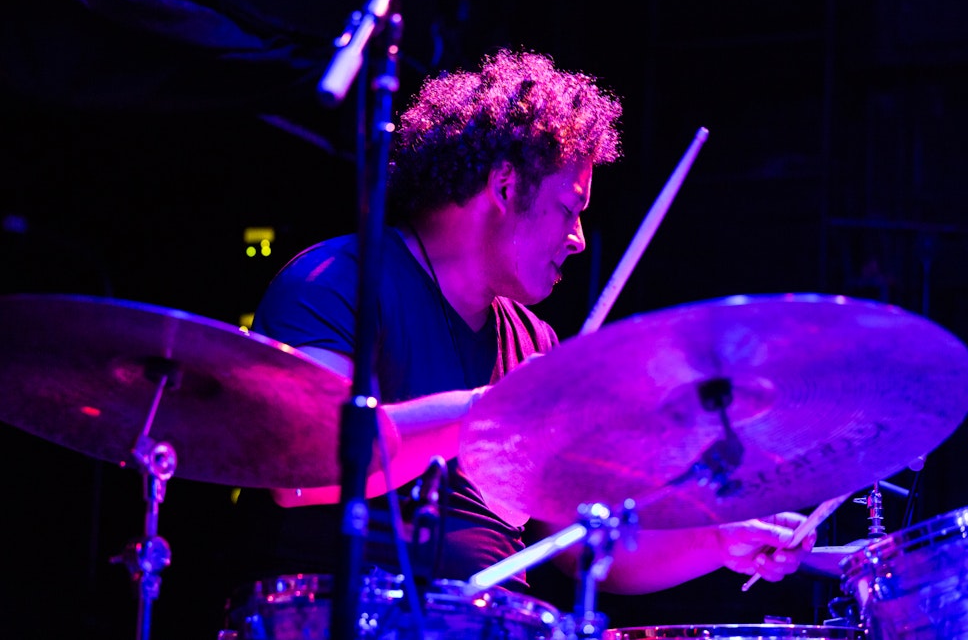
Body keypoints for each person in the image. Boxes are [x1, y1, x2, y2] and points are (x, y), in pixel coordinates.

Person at [231, 48, 814, 610]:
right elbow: (301, 469)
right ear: (506, 187)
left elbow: (584, 543)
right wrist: (493, 409)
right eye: (569, 209)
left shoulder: (533, 343)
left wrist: (716, 540)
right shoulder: (338, 281)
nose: (578, 239)